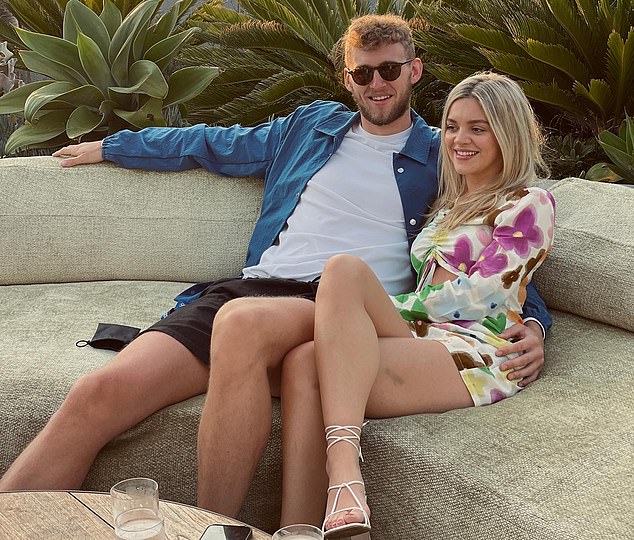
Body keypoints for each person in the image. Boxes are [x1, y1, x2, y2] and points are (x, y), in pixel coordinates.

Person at [0, 14, 549, 528]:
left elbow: (499, 246)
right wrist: (115, 146)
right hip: (252, 291)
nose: (376, 83)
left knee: (243, 324)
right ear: (348, 77)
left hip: (341, 309)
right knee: (97, 393)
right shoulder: (311, 127)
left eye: (389, 70)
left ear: (413, 72)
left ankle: (210, 530)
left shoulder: (444, 151)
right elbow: (213, 141)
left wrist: (535, 325)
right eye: (362, 71)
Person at [279, 71, 555, 538]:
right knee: (302, 361)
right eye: (451, 126)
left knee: (343, 274)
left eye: (477, 128)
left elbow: (486, 295)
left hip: (478, 350)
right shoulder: (449, 207)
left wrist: (383, 305)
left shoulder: (529, 202)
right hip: (427, 336)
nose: (459, 139)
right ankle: (298, 529)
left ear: (506, 132)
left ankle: (344, 471)